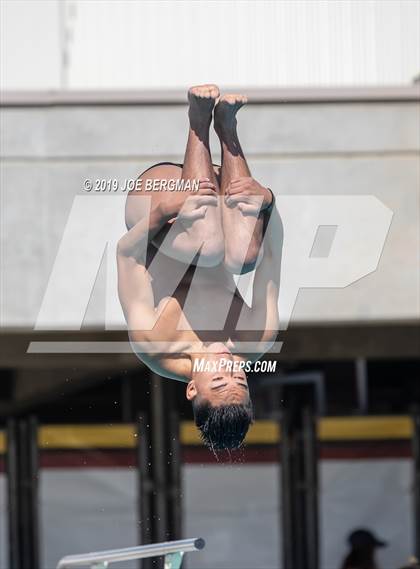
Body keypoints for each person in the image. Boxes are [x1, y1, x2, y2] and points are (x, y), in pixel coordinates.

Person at [117, 84, 282, 450]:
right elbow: (272, 254)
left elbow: (127, 254)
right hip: (216, 189)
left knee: (206, 247)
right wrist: (268, 201)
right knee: (243, 257)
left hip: (156, 199)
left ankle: (197, 121)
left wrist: (161, 213)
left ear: (193, 388)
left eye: (219, 381)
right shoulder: (256, 337)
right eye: (240, 379)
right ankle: (226, 127)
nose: (229, 369)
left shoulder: (155, 343)